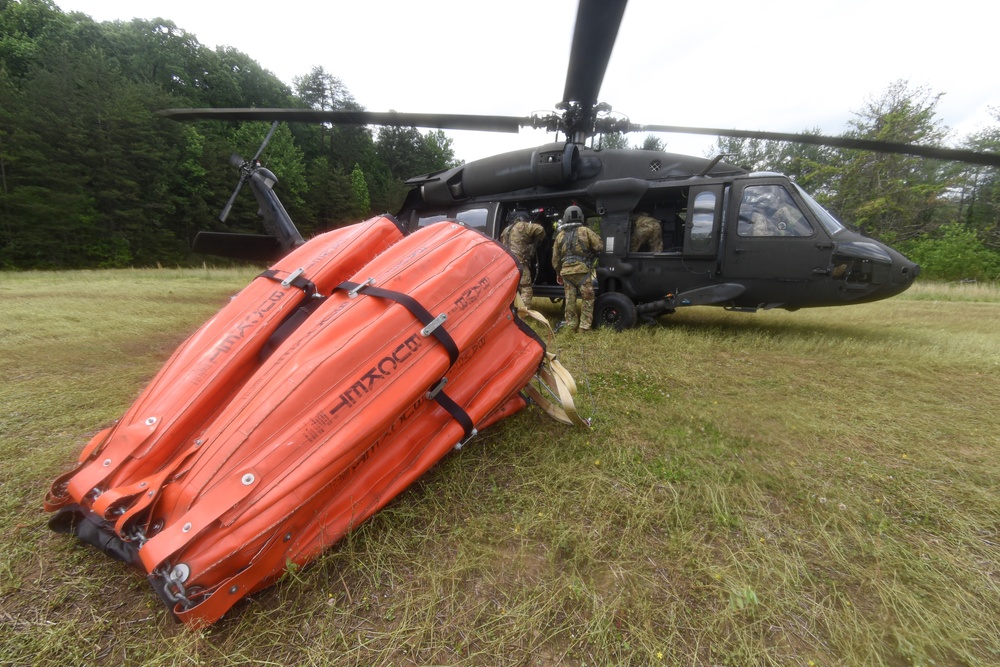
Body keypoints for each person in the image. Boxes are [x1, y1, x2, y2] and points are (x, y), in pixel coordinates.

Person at [552, 205, 602, 332]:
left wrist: (558, 272)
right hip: (582, 272)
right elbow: (599, 246)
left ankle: (571, 326)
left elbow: (555, 259)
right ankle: (584, 328)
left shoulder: (560, 236)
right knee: (588, 299)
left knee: (570, 301)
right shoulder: (585, 231)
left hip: (566, 273)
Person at [499, 210, 546, 304]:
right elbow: (540, 230)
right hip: (520, 263)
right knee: (526, 287)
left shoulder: (506, 230)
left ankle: (512, 310)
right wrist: (535, 241)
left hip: (508, 264)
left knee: (512, 288)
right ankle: (524, 312)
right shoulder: (523, 226)